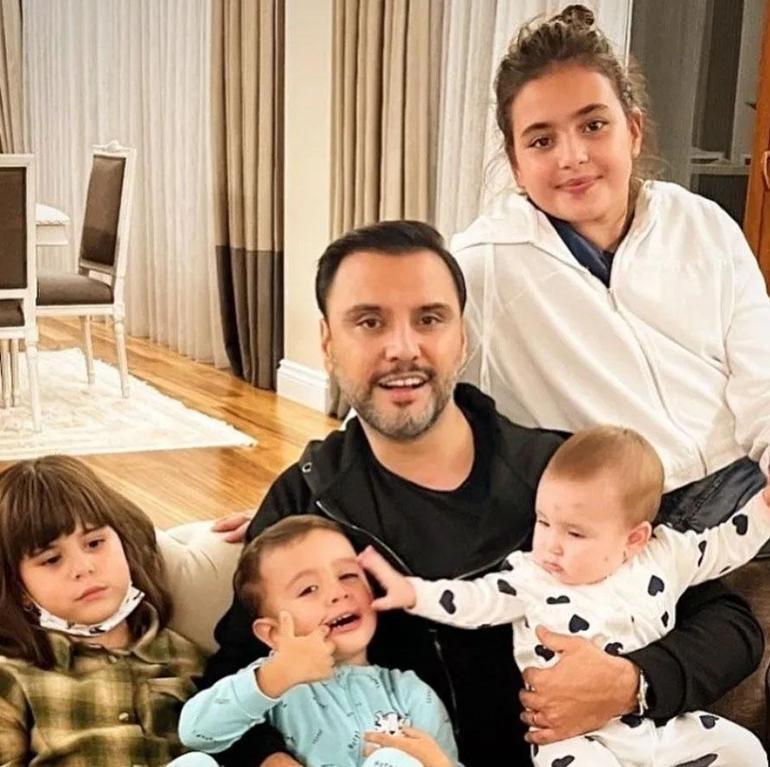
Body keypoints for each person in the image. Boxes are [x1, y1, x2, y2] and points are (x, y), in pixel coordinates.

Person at [201, 219, 762, 767]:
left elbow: (728, 625)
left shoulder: (560, 476)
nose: (403, 347)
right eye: (369, 322)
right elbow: (231, 679)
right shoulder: (307, 499)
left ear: (462, 337)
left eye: (429, 319)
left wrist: (630, 682)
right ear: (328, 343)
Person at [454, 8, 769, 530]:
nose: (573, 156)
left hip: (748, 484)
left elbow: (761, 373)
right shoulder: (480, 267)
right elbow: (398, 390)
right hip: (630, 521)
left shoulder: (702, 224)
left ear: (634, 131)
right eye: (541, 140)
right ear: (516, 164)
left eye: (593, 125)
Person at [359, 426, 770, 766]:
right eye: (543, 522)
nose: (551, 545)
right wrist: (413, 592)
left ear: (634, 539)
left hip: (656, 725)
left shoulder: (666, 556)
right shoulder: (531, 578)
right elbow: (475, 600)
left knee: (742, 749)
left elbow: (724, 545)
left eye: (574, 533)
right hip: (576, 741)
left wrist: (764, 508)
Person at [179, 515, 458, 767]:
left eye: (348, 575)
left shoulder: (411, 693)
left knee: (393, 760)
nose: (338, 592)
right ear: (273, 634)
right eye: (308, 589)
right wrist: (274, 676)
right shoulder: (267, 684)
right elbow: (196, 733)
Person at [0, 455, 217, 767]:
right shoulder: (13, 675)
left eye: (94, 543)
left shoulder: (188, 659)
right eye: (51, 559)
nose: (83, 567)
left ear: (124, 545)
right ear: (20, 590)